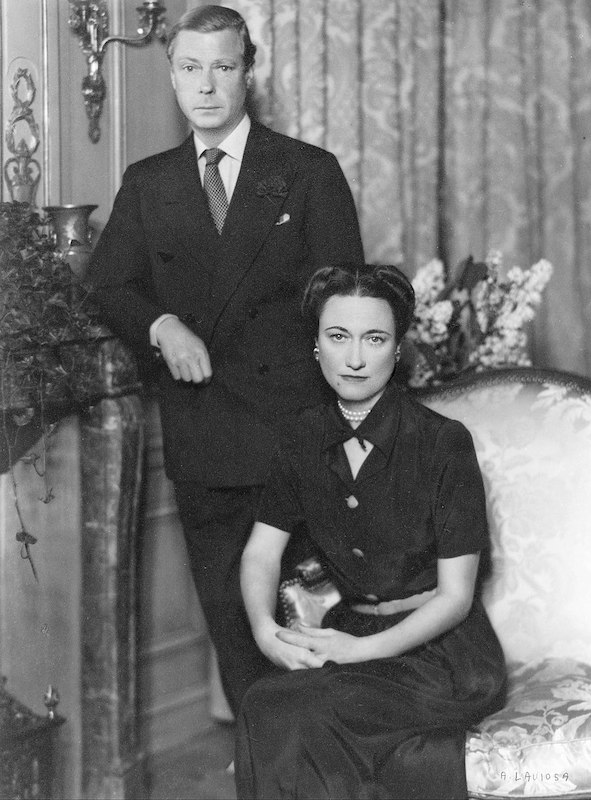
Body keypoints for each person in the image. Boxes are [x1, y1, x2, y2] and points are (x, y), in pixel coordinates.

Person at [85, 5, 363, 715]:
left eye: (222, 66)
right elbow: (110, 283)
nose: (205, 85)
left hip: (294, 445)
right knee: (237, 641)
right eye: (189, 66)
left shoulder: (305, 172)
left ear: (248, 71)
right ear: (172, 73)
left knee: (315, 634)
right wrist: (163, 325)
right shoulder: (149, 182)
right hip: (204, 440)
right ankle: (262, 774)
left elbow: (346, 310)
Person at [237, 263, 507, 799]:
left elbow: (455, 597)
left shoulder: (443, 444)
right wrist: (265, 631)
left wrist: (357, 653)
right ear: (316, 346)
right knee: (266, 703)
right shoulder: (301, 438)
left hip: (440, 653)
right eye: (337, 337)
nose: (355, 359)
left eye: (374, 338)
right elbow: (261, 552)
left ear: (398, 348)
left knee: (301, 713)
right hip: (351, 631)